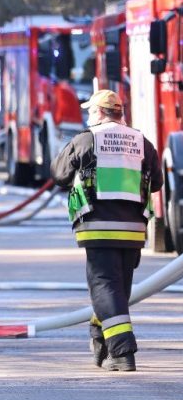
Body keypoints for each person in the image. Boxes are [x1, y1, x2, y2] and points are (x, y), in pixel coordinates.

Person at [51, 89, 162, 371]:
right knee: (117, 290)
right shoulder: (142, 141)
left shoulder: (87, 138)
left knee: (105, 287)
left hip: (98, 227)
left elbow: (60, 174)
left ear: (100, 112)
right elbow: (157, 182)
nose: (89, 116)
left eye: (90, 111)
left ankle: (122, 351)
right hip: (134, 229)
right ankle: (100, 339)